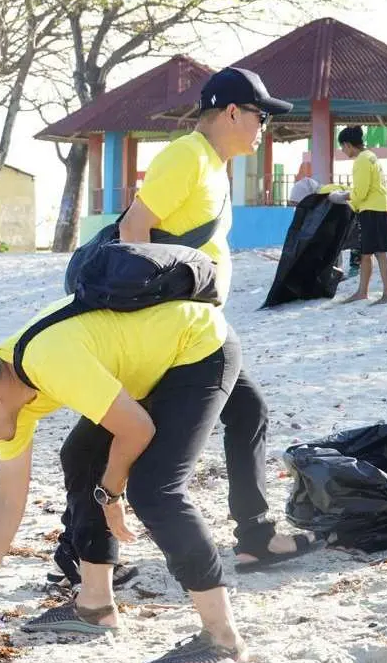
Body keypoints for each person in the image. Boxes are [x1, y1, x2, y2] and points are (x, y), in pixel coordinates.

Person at [46, 66, 315, 588]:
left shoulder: (213, 164)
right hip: (169, 331)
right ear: (232, 112)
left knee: (246, 411)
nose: (264, 128)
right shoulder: (186, 157)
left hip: (195, 328)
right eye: (260, 116)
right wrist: (162, 309)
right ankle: (81, 549)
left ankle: (255, 537)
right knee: (99, 439)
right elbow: (132, 231)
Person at [0, 297, 246, 663]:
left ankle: (223, 639)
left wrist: (111, 492)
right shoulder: (5, 387)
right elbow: (8, 501)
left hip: (195, 348)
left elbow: (138, 429)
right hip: (143, 363)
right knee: (81, 457)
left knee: (155, 491)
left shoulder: (49, 364)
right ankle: (94, 605)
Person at [332, 126, 387, 304]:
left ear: (348, 144)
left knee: (380, 252)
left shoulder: (361, 160)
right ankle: (362, 291)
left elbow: (360, 192)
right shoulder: (371, 156)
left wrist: (343, 197)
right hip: (377, 207)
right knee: (366, 253)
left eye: (343, 147)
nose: (343, 151)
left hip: (373, 209)